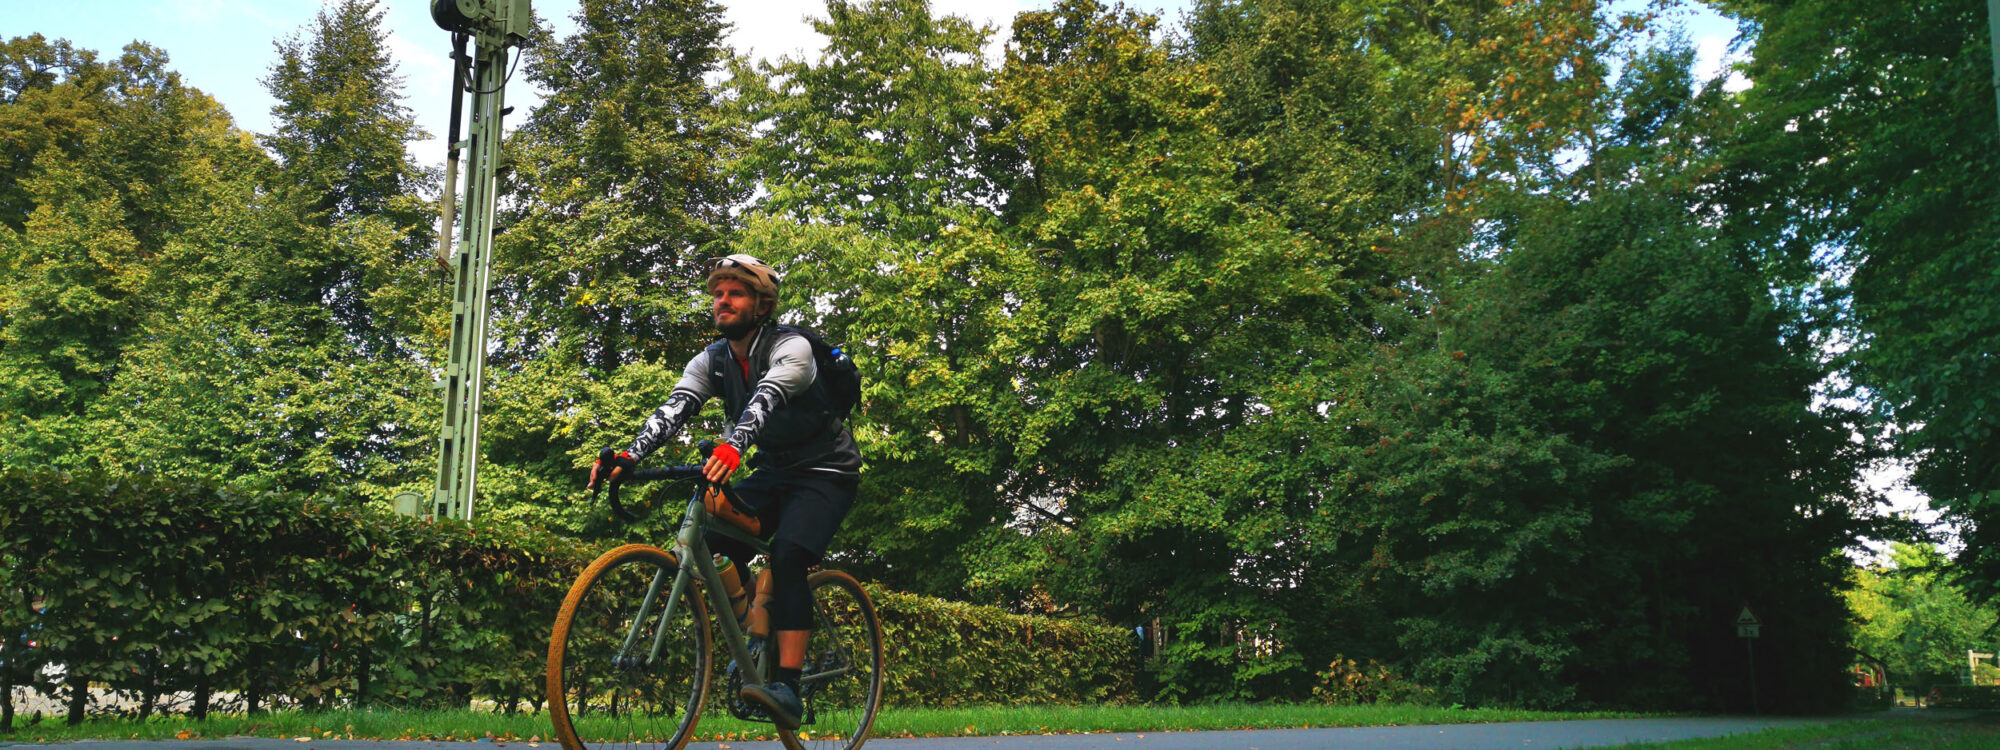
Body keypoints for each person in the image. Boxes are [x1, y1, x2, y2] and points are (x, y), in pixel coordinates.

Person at [586, 253, 863, 728]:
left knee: (790, 555)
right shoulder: (711, 360)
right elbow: (675, 409)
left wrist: (734, 447)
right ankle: (758, 631)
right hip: (775, 470)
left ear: (761, 303)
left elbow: (767, 398)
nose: (722, 301)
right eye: (717, 294)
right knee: (711, 540)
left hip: (827, 471)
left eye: (735, 293)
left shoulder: (791, 347)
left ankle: (789, 688)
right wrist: (631, 457)